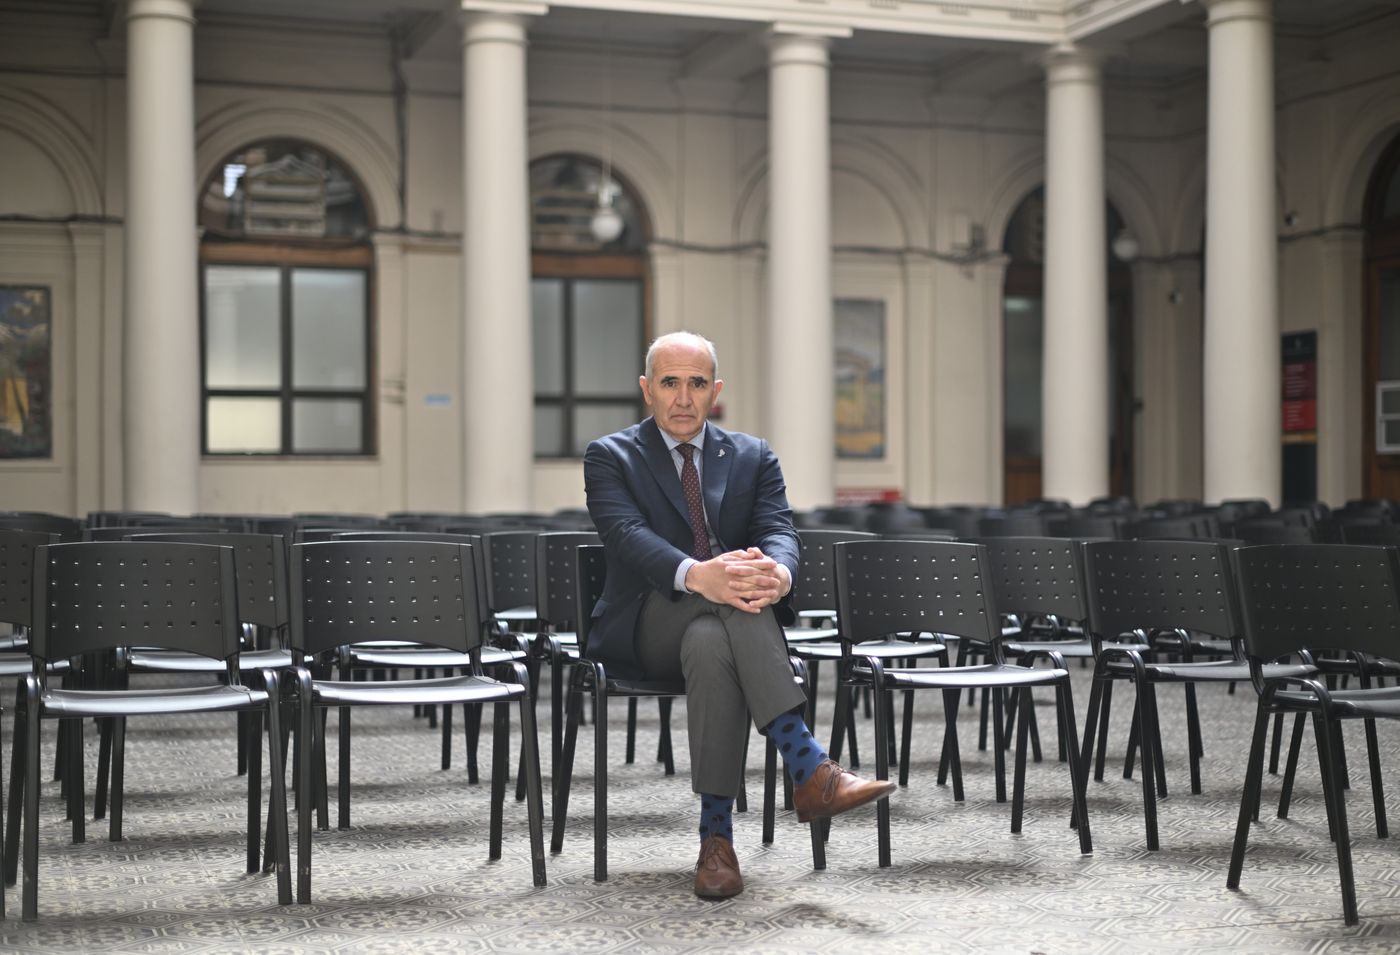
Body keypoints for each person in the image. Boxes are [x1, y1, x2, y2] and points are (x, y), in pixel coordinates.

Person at [583, 330, 895, 899]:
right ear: (647, 390)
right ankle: (809, 767)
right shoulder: (611, 456)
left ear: (716, 390)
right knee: (729, 596)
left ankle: (717, 844)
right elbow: (626, 535)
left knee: (713, 637)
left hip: (723, 626)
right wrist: (698, 574)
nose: (683, 398)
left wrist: (779, 574)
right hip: (646, 626)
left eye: (697, 384)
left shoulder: (753, 455)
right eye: (670, 383)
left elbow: (778, 529)